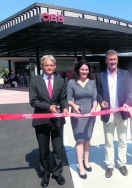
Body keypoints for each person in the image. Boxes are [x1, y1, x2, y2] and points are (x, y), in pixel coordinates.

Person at [29, 55, 69, 187]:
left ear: (55, 66)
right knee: (43, 148)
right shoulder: (35, 81)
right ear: (42, 66)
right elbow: (33, 101)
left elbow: (63, 99)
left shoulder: (61, 81)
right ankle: (45, 173)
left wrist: (65, 108)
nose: (49, 67)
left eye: (51, 65)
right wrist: (48, 107)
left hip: (57, 120)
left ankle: (57, 173)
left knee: (58, 148)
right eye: (46, 65)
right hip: (41, 120)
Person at [96, 49, 132, 178]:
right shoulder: (100, 76)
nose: (112, 62)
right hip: (108, 113)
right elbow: (98, 93)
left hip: (122, 112)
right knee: (109, 141)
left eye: (114, 59)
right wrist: (101, 102)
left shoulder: (125, 74)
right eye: (110, 59)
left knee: (122, 140)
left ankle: (122, 163)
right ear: (106, 60)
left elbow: (130, 91)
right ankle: (110, 165)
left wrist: (127, 102)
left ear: (117, 60)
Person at [67, 60, 97, 179]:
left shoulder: (93, 82)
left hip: (90, 115)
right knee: (79, 140)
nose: (84, 71)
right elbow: (68, 99)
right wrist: (74, 106)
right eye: (82, 69)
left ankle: (86, 161)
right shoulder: (72, 83)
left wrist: (94, 108)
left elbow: (94, 98)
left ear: (89, 71)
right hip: (77, 116)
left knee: (87, 139)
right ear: (78, 70)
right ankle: (80, 165)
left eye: (86, 69)